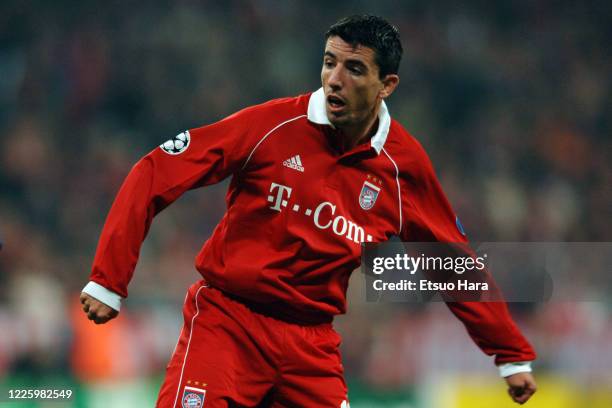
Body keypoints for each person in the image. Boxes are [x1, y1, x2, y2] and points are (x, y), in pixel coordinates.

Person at [80, 15, 537, 407]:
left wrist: (509, 352)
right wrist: (108, 278)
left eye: (355, 68)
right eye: (329, 62)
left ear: (387, 85)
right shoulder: (272, 126)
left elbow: (452, 263)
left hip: (311, 346)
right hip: (228, 324)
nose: (335, 78)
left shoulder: (403, 167)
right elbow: (156, 170)